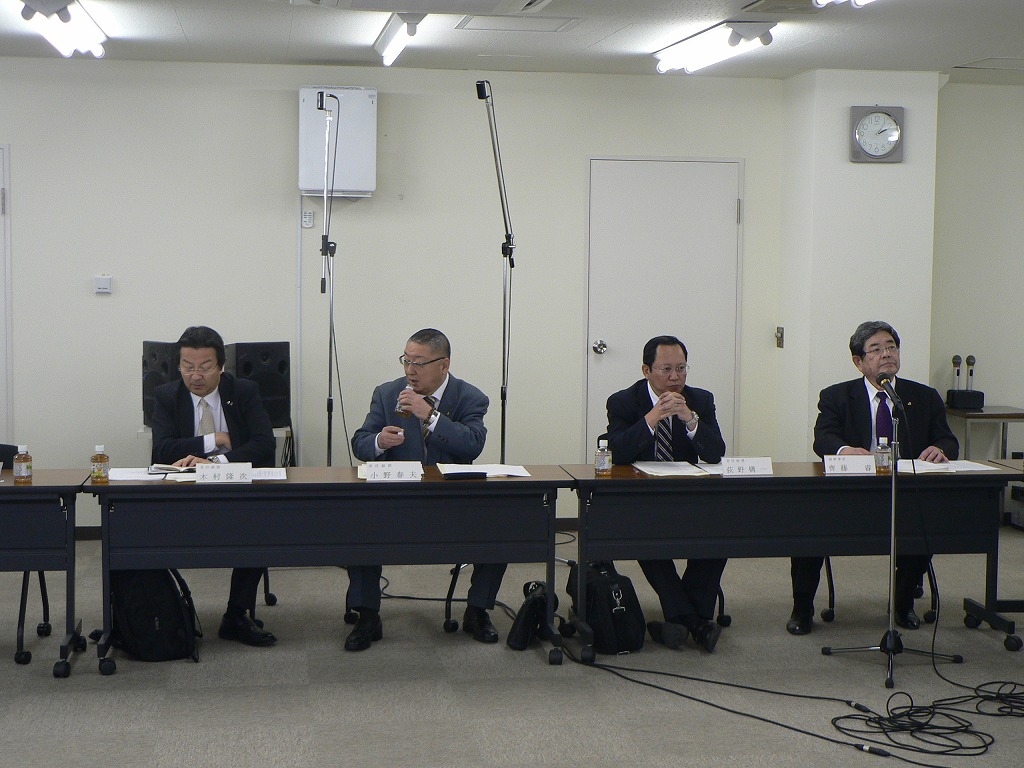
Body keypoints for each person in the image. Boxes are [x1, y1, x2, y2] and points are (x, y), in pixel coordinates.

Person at [789, 320, 959, 635]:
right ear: (859, 361)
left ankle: (903, 604)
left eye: (891, 347)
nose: (886, 354)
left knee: (924, 520)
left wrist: (940, 448)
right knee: (807, 526)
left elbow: (948, 440)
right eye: (876, 349)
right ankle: (802, 609)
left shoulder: (923, 396)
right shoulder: (837, 396)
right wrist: (844, 450)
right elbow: (823, 439)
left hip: (905, 492)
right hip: (850, 493)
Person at [346, 328, 507, 651]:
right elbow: (360, 443)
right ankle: (367, 615)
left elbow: (472, 445)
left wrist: (430, 415)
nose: (410, 370)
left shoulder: (470, 397)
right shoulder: (387, 393)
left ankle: (477, 610)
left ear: (443, 365)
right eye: (406, 360)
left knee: (498, 526)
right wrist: (379, 442)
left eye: (418, 363)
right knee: (359, 522)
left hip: (452, 502)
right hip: (397, 499)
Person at [150, 325, 278, 647]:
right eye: (187, 367)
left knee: (259, 527)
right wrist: (215, 439)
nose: (195, 376)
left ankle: (236, 615)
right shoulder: (166, 396)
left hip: (235, 493)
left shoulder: (244, 391)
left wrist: (217, 462)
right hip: (182, 496)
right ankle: (157, 614)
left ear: (221, 366)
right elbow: (162, 450)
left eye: (205, 367)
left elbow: (264, 444)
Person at [605, 335, 727, 653]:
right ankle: (698, 623)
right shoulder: (623, 402)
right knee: (646, 536)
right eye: (666, 369)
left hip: (687, 496)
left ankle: (680, 620)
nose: (675, 377)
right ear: (647, 370)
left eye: (681, 368)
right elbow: (616, 453)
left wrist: (690, 419)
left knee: (719, 533)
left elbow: (715, 453)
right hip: (641, 499)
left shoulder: (700, 400)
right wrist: (652, 417)